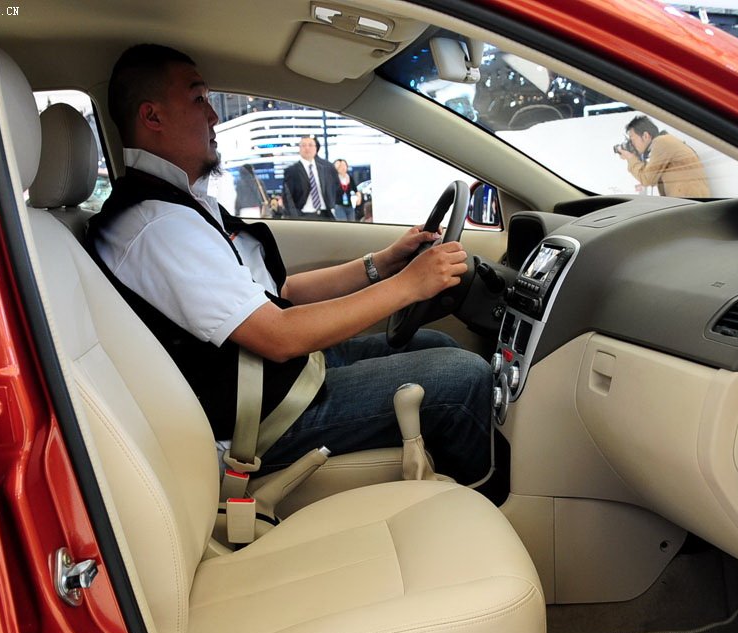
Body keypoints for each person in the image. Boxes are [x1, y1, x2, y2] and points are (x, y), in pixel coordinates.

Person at [86, 44, 493, 485]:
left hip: (275, 382)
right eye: (199, 99)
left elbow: (279, 294)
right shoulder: (158, 228)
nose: (213, 116)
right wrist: (409, 285)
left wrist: (384, 263)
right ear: (152, 117)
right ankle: (492, 496)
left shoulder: (181, 206)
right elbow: (278, 336)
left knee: (434, 343)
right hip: (260, 420)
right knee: (465, 376)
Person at [616, 115, 711, 198]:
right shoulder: (665, 142)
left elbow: (647, 179)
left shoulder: (661, 142)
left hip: (689, 204)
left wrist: (630, 157)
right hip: (690, 203)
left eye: (632, 139)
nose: (631, 144)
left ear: (645, 136)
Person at [282, 135, 340, 218]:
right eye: (304, 145)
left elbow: (335, 187)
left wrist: (332, 204)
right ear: (299, 149)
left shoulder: (324, 168)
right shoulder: (292, 171)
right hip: (304, 215)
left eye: (310, 145)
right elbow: (288, 198)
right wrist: (295, 217)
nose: (307, 148)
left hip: (325, 214)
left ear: (316, 148)